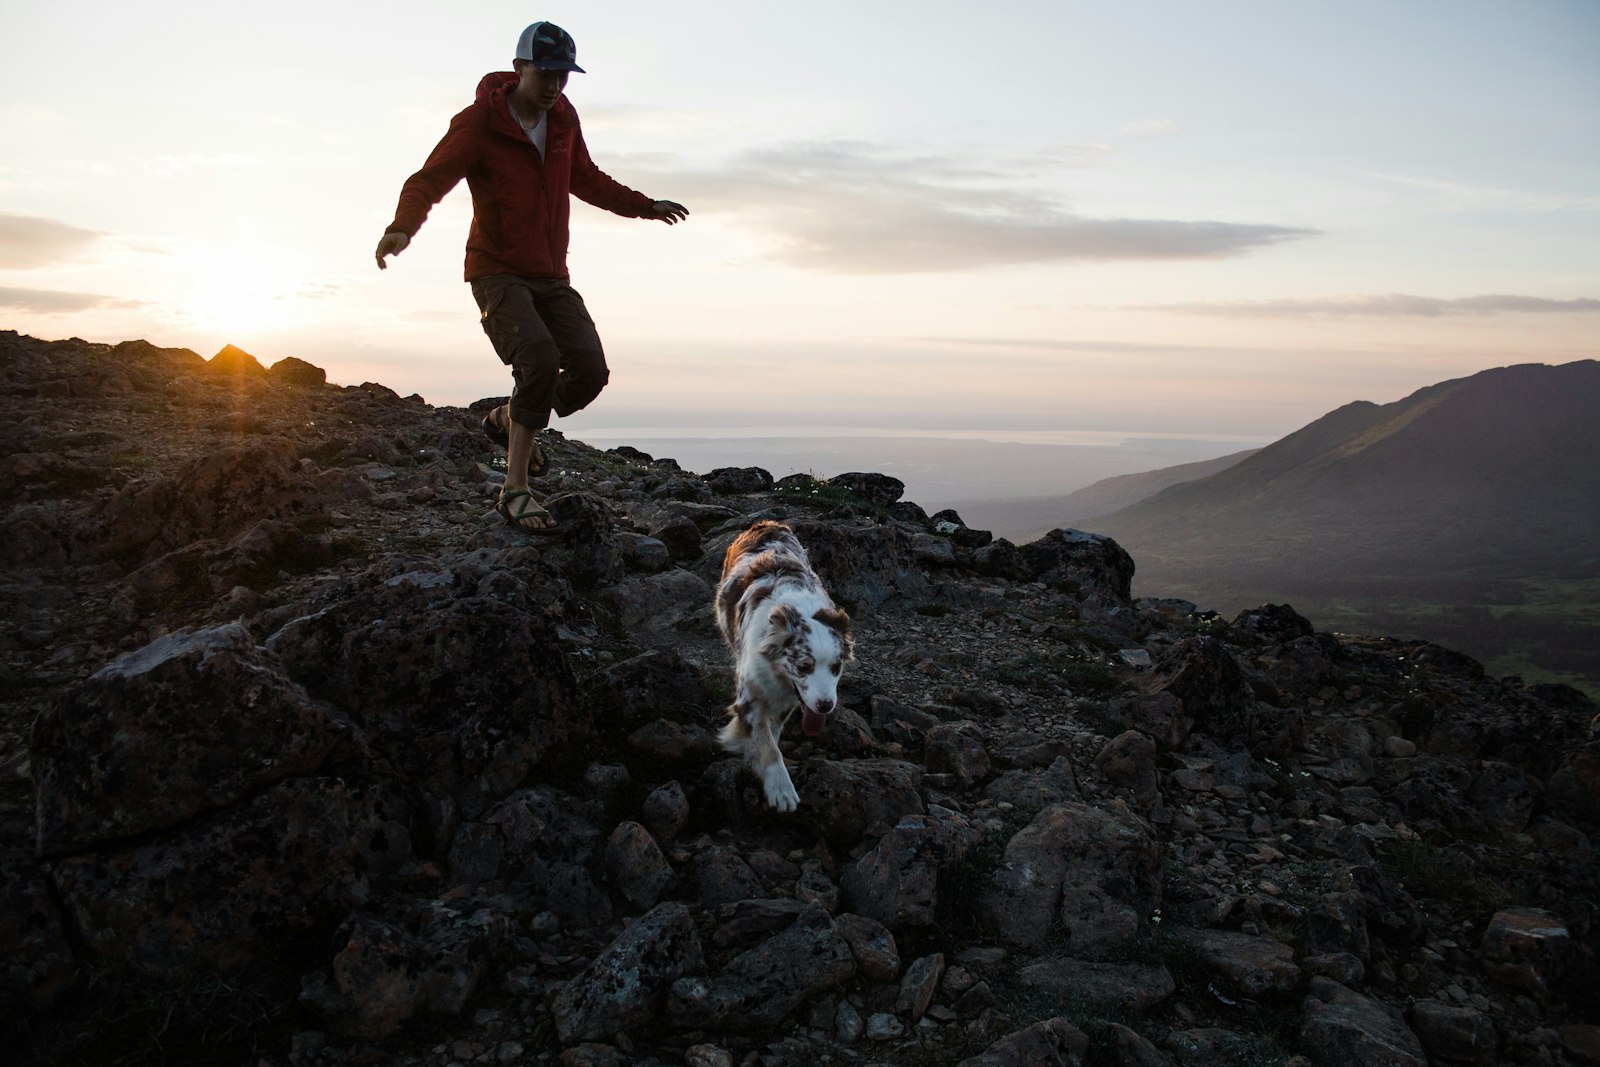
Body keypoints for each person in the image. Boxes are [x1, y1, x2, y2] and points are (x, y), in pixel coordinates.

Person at [375, 21, 687, 531]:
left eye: (563, 76)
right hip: (496, 269)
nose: (553, 87)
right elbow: (429, 178)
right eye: (545, 74)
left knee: (589, 370)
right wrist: (401, 228)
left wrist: (644, 206)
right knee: (538, 358)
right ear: (519, 68)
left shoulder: (562, 118)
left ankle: (510, 417)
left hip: (550, 272)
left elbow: (584, 178)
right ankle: (515, 490)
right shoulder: (480, 123)